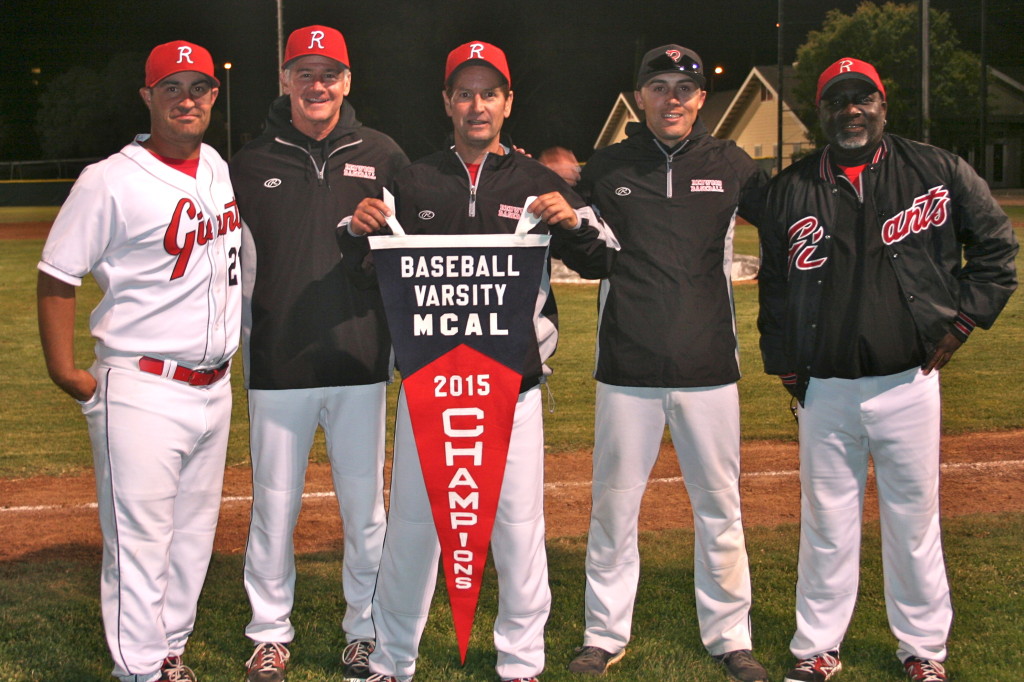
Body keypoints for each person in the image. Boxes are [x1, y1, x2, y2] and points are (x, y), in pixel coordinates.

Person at [346, 40, 618, 682]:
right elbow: (373, 276)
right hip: (430, 392)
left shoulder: (534, 181)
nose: (476, 105)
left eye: (488, 92)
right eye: (464, 93)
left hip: (513, 389)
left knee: (517, 531)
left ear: (507, 102)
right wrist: (359, 228)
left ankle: (520, 664)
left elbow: (607, 258)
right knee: (414, 527)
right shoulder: (413, 180)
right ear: (447, 102)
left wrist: (573, 220)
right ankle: (391, 660)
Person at [757, 58, 1018, 682]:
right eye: (838, 100)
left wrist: (959, 324)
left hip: (909, 382)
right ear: (821, 112)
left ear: (882, 104)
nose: (851, 110)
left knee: (915, 520)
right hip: (825, 390)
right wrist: (785, 364)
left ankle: (923, 649)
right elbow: (774, 285)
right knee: (826, 523)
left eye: (862, 98)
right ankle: (817, 647)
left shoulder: (936, 169)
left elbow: (996, 249)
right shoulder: (793, 186)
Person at [37, 41, 238, 682]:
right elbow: (56, 277)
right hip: (143, 383)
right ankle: (139, 669)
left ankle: (168, 650)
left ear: (213, 95)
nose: (188, 99)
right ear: (148, 97)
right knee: (140, 541)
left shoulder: (214, 165)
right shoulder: (109, 179)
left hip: (214, 385)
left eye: (199, 87)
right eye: (172, 87)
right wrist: (65, 372)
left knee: (192, 538)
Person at [568, 44, 769, 682]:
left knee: (719, 507)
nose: (673, 98)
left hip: (709, 364)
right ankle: (603, 634)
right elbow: (563, 221)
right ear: (640, 98)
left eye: (684, 87)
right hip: (626, 364)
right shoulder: (607, 166)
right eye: (659, 86)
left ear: (701, 98)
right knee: (613, 507)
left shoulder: (731, 163)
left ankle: (731, 635)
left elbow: (799, 220)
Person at [229, 25, 409, 682]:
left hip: (361, 361)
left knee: (366, 510)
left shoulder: (385, 155)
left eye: (328, 73)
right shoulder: (248, 163)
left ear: (347, 81)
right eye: (303, 72)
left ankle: (364, 631)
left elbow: (411, 249)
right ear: (284, 81)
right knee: (274, 506)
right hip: (278, 364)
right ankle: (270, 633)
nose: (317, 85)